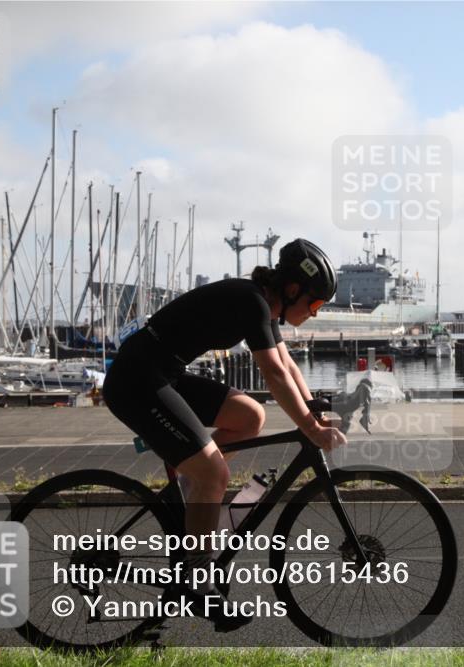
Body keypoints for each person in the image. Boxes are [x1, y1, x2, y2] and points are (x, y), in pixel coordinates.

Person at [101, 238, 346, 630]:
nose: (315, 313)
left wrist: (313, 409)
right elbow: (273, 373)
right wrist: (311, 429)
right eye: (315, 303)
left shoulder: (265, 306)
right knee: (215, 473)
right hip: (136, 380)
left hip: (163, 373)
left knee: (250, 416)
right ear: (292, 289)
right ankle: (196, 581)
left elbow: (287, 365)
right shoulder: (253, 302)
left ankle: (191, 490)